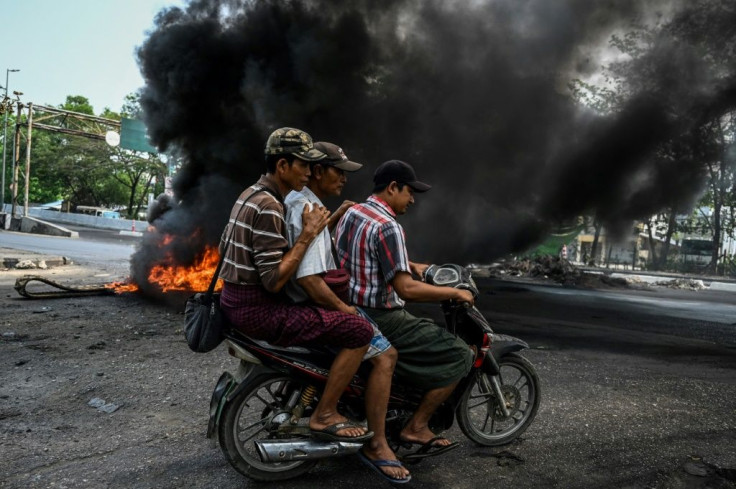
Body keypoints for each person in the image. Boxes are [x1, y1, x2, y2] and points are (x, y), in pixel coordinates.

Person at [218, 127, 374, 443]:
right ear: (282, 166)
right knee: (360, 332)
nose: (308, 172)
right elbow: (274, 280)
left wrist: (321, 225)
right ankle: (326, 413)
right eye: (303, 165)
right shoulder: (270, 206)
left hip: (233, 300)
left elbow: (231, 250)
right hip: (258, 311)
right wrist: (307, 234)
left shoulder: (249, 195)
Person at [284, 142, 409, 483]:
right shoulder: (306, 205)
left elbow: (309, 247)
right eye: (338, 171)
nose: (344, 178)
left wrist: (335, 216)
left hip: (305, 299)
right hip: (313, 302)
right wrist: (345, 309)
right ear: (318, 171)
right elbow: (309, 279)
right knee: (385, 354)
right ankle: (375, 442)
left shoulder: (304, 203)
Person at [335, 159, 475, 456]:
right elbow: (405, 289)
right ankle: (417, 427)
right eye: (409, 192)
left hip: (346, 306)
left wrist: (413, 265)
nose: (412, 199)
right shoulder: (389, 227)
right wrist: (453, 292)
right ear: (393, 187)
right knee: (460, 353)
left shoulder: (353, 212)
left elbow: (366, 256)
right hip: (381, 317)